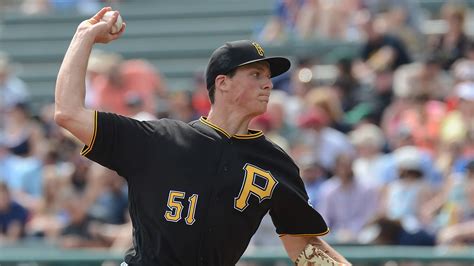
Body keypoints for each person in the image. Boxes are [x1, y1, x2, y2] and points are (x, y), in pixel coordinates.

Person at [54, 7, 350, 266]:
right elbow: (68, 112)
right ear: (222, 83)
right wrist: (85, 35)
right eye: (256, 75)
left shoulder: (275, 162)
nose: (268, 85)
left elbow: (304, 245)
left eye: (268, 78)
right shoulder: (160, 139)